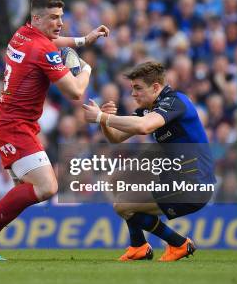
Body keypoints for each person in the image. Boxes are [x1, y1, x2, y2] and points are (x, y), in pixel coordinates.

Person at [0, 0, 110, 260]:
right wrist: (85, 68)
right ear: (37, 18)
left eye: (61, 18)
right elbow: (75, 92)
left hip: (11, 123)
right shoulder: (42, 51)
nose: (60, 23)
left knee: (24, 188)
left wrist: (83, 40)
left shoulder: (21, 34)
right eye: (54, 18)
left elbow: (52, 41)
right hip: (14, 127)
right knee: (46, 187)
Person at [82, 61, 215, 262]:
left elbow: (144, 127)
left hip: (194, 184)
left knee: (123, 205)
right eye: (132, 88)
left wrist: (101, 116)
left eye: (138, 88)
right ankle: (139, 246)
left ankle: (178, 243)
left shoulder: (175, 102)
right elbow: (115, 138)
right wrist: (104, 120)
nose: (133, 94)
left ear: (155, 87)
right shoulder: (148, 108)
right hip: (174, 176)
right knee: (117, 179)